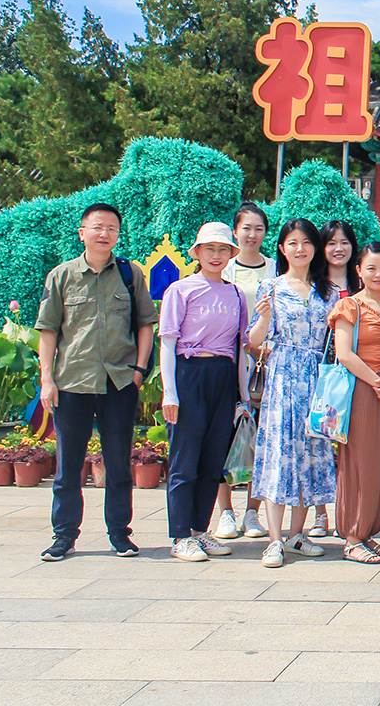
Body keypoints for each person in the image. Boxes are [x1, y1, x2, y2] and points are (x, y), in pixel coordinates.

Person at [36, 203, 158, 561]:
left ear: (118, 234)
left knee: (118, 464)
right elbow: (48, 330)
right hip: (72, 381)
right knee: (68, 466)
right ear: (82, 233)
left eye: (111, 229)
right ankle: (64, 536)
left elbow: (145, 324)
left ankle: (120, 534)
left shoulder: (130, 274)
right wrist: (47, 379)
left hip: (119, 382)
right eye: (97, 227)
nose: (104, 234)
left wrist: (138, 371)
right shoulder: (61, 276)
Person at [247, 219, 337, 568]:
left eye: (306, 242)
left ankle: (297, 534)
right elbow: (253, 341)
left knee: (311, 454)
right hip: (283, 376)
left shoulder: (328, 291)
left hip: (317, 379)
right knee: (279, 453)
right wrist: (265, 318)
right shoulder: (270, 287)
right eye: (293, 243)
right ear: (282, 248)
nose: (300, 249)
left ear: (316, 248)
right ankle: (274, 539)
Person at [160, 222, 246, 562]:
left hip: (222, 376)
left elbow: (239, 349)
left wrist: (242, 398)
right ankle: (180, 535)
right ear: (197, 252)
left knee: (213, 460)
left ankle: (199, 530)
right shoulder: (180, 290)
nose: (216, 255)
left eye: (223, 249)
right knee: (185, 459)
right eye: (209, 249)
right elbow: (168, 343)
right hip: (189, 373)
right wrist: (170, 393)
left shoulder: (236, 294)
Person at [328, 242, 380, 564]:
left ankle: (368, 532)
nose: (379, 274)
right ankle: (352, 536)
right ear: (359, 271)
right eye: (371, 268)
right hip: (362, 389)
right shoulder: (349, 306)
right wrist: (378, 384)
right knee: (360, 463)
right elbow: (344, 353)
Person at [218, 201, 273, 540]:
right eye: (246, 228)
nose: (252, 235)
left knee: (261, 437)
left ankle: (253, 512)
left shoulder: (275, 269)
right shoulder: (223, 269)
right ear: (235, 231)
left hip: (266, 364)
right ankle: (225, 511)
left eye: (259, 229)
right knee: (225, 436)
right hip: (230, 361)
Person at [310, 219, 361, 538]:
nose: (338, 249)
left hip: (359, 373)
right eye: (331, 243)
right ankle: (320, 513)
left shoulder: (362, 283)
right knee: (320, 441)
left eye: (344, 242)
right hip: (324, 374)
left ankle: (351, 512)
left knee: (354, 447)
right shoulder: (314, 285)